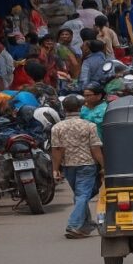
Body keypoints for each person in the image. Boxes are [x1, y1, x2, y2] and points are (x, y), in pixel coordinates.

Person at [51, 95, 105, 239]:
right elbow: (95, 148)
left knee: (80, 195)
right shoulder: (89, 126)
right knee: (82, 195)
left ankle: (86, 224)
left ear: (64, 109)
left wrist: (55, 169)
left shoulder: (57, 127)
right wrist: (103, 165)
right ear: (80, 108)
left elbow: (57, 150)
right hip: (87, 165)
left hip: (69, 166)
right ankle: (74, 225)